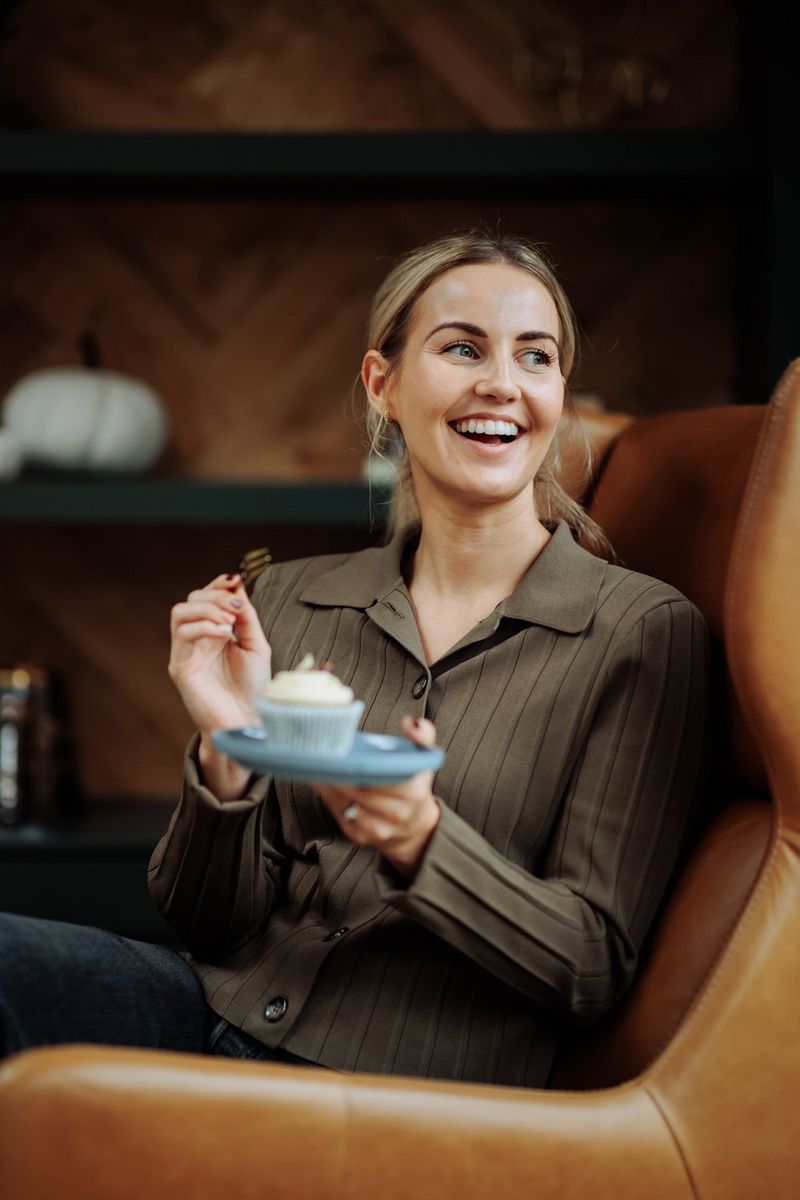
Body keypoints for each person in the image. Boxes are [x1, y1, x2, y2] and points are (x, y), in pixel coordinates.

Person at [0, 229, 709, 1087]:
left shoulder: (639, 631)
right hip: (209, 1018)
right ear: (384, 384)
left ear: (558, 391)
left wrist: (423, 841)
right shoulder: (288, 599)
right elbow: (205, 923)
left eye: (536, 356)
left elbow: (591, 967)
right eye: (461, 347)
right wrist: (230, 745)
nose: (502, 384)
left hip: (395, 1091)